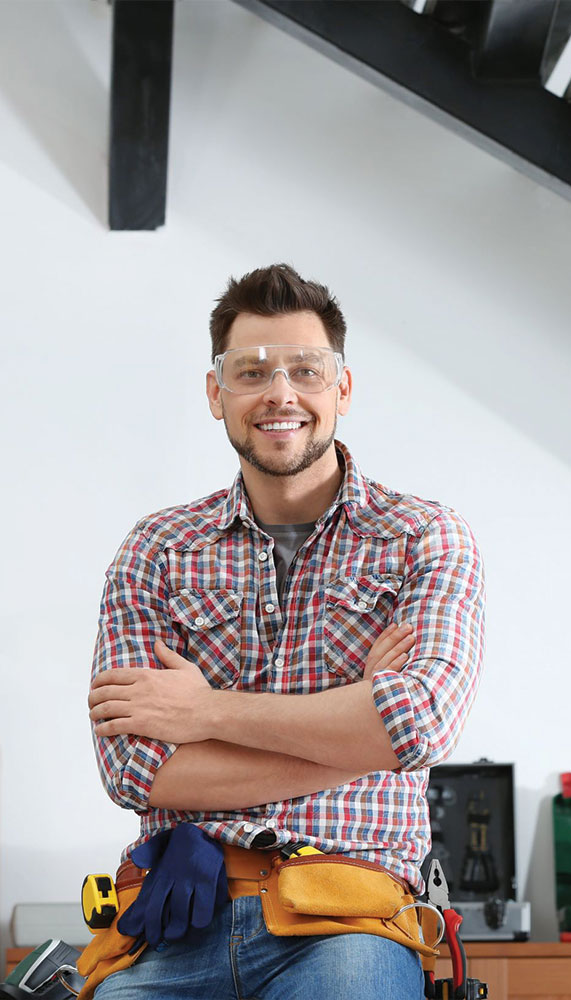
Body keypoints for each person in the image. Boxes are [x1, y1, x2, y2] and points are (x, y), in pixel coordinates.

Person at [83, 263, 485, 999]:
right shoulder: (156, 549)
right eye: (251, 371)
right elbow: (136, 772)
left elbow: (418, 724)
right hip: (176, 922)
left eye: (307, 369)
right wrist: (355, 728)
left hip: (349, 922)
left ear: (343, 389)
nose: (280, 393)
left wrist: (206, 713)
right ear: (217, 394)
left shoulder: (423, 537)